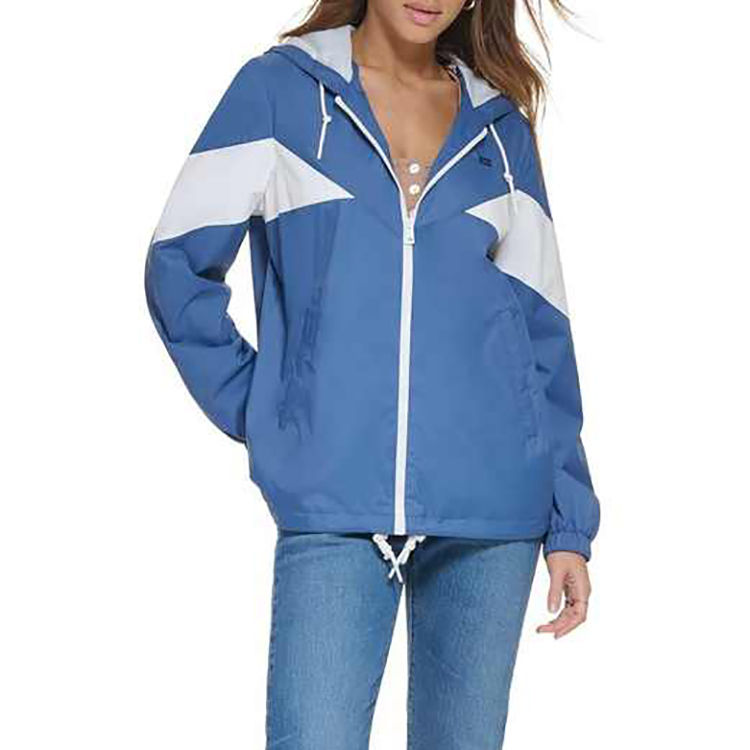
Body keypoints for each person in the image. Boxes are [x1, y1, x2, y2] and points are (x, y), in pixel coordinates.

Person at [144, 1, 601, 747]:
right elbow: (177, 267)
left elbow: (542, 334)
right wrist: (271, 409)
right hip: (334, 503)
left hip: (492, 513)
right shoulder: (280, 93)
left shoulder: (500, 130)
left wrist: (569, 522)